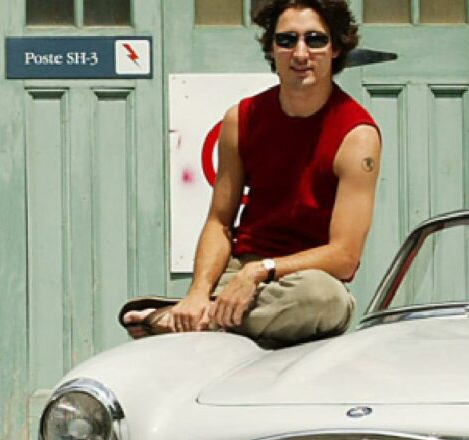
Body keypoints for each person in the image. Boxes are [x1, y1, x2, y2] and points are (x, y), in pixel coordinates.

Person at [121, 0, 381, 346]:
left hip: (302, 281)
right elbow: (219, 220)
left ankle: (182, 319)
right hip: (239, 270)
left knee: (326, 300)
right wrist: (199, 290)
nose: (300, 53)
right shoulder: (241, 119)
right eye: (287, 40)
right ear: (271, 49)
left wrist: (261, 271)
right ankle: (202, 309)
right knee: (260, 297)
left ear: (336, 49)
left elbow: (345, 257)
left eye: (315, 40)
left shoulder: (357, 135)